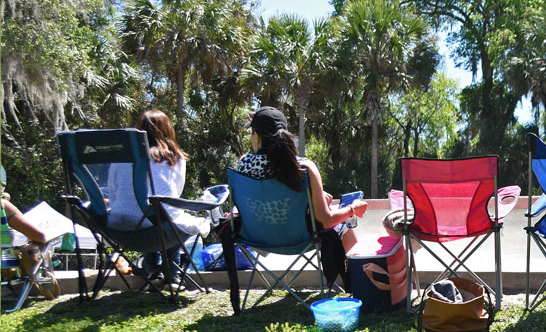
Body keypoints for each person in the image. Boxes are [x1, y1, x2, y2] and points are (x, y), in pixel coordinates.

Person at [218, 106, 367, 312]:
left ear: (257, 136)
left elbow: (262, 197)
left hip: (255, 239)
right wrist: (352, 208)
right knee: (346, 225)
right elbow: (325, 220)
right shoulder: (303, 167)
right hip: (299, 239)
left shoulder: (243, 165)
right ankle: (358, 288)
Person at [109, 109, 209, 283]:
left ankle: (152, 270)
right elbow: (175, 195)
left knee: (150, 215)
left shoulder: (121, 157)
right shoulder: (175, 158)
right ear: (168, 131)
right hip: (159, 230)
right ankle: (172, 274)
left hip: (122, 229)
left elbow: (113, 190)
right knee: (166, 216)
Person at [2, 166, 60, 300]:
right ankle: (40, 280)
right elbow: (39, 236)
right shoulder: (3, 206)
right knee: (40, 241)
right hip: (3, 259)